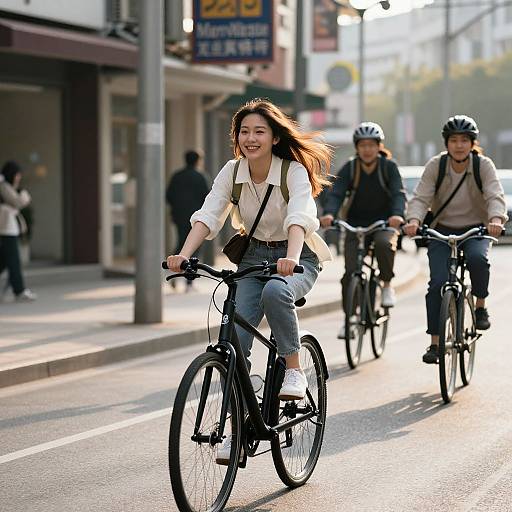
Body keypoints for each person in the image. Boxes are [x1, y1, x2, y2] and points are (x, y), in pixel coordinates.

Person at [166, 98, 332, 406]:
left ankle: (293, 369)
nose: (251, 139)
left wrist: (291, 258)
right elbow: (209, 214)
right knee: (233, 342)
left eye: (259, 132)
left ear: (275, 138)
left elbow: (300, 216)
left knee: (275, 292)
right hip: (254, 256)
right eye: (244, 132)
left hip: (297, 257)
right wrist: (183, 254)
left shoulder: (292, 172)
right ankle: (237, 424)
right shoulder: (232, 172)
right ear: (237, 137)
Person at [403, 115, 507, 364]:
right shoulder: (436, 166)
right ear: (446, 143)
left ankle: (480, 306)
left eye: (464, 140)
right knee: (437, 284)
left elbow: (495, 194)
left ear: (472, 143)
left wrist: (496, 219)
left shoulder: (483, 166)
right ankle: (435, 344)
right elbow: (420, 198)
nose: (459, 145)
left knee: (478, 259)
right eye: (454, 140)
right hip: (442, 231)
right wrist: (414, 220)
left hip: (476, 230)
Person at [319, 122, 406, 338]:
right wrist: (329, 214)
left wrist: (397, 215)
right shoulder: (350, 167)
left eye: (371, 145)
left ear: (379, 146)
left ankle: (386, 285)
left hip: (384, 223)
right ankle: (349, 320)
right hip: (355, 225)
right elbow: (336, 193)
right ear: (357, 147)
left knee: (386, 245)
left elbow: (398, 194)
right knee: (350, 273)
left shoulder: (389, 167)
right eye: (363, 145)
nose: (367, 149)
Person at [165, 149, 209, 291]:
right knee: (194, 247)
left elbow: (168, 195)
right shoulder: (200, 177)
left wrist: (176, 208)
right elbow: (208, 198)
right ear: (197, 161)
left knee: (180, 242)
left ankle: (173, 273)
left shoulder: (176, 176)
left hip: (179, 216)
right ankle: (189, 283)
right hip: (196, 218)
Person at [0, 161, 36, 301]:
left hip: (8, 228)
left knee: (4, 259)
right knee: (14, 261)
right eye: (17, 174)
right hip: (6, 228)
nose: (19, 177)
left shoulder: (7, 186)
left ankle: (19, 290)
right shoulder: (4, 187)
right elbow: (17, 202)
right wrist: (24, 196)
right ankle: (19, 290)